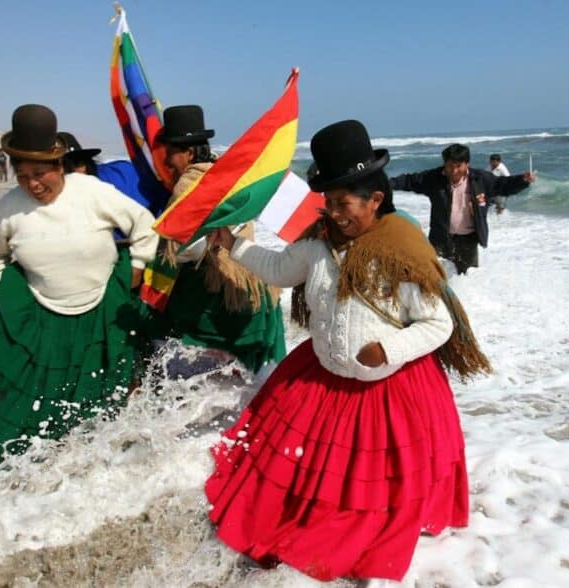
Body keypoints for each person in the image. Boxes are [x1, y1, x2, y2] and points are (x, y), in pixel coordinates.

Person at [203, 120, 490, 582]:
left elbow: (437, 323)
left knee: (373, 492)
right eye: (329, 204)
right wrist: (233, 245)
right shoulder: (317, 247)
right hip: (324, 375)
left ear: (376, 200)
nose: (335, 214)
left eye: (345, 204)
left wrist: (391, 348)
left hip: (390, 387)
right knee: (302, 476)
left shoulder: (400, 251)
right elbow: (277, 269)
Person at [0, 104, 158, 469]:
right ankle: (25, 472)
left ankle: (98, 466)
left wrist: (138, 265)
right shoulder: (9, 206)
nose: (33, 184)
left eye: (41, 173)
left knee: (104, 398)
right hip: (42, 321)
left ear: (60, 165)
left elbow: (143, 223)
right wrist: (13, 292)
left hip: (100, 312)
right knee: (24, 404)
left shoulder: (90, 191)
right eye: (23, 175)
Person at [146, 105, 286, 373]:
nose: (165, 162)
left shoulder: (188, 185)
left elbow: (179, 249)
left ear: (188, 152)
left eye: (170, 153)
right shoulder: (227, 172)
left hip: (221, 293)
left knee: (162, 328)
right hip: (254, 285)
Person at [390, 143, 535, 274]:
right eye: (449, 166)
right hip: (441, 240)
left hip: (469, 241)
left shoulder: (480, 179)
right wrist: (386, 184)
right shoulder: (434, 178)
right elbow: (409, 181)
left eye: (458, 166)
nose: (453, 171)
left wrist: (522, 180)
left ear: (467, 164)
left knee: (468, 279)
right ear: (444, 164)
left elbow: (503, 185)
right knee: (434, 278)